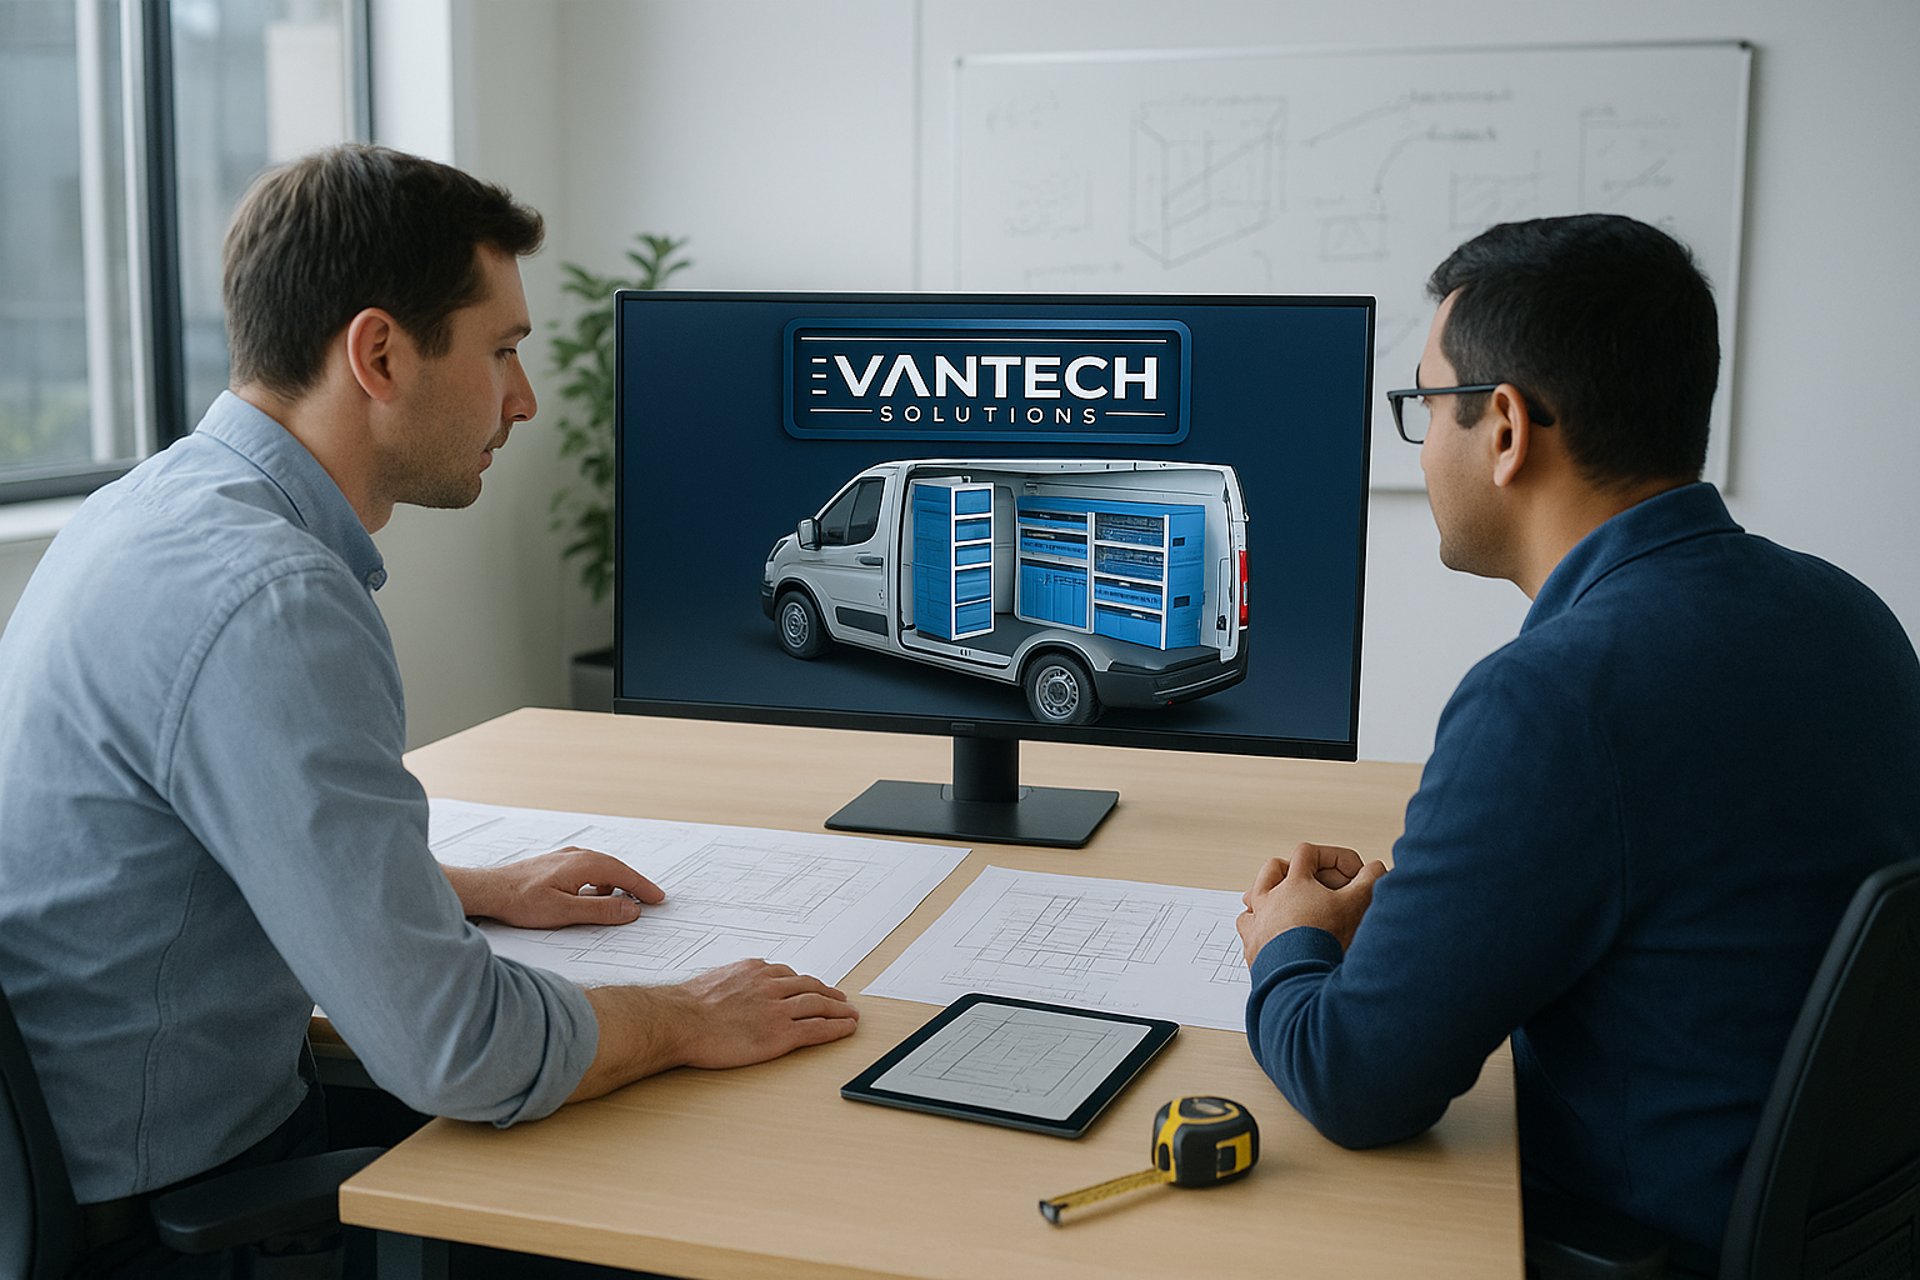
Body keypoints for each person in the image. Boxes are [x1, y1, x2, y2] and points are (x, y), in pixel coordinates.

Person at [0, 145, 857, 1265]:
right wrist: (686, 1013)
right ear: (380, 352)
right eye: (501, 349)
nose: (525, 397)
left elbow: (195, 841)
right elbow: (460, 1048)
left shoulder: (149, 509)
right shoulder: (272, 597)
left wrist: (470, 889)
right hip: (169, 1213)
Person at [1236, 213, 1920, 1265]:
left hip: (1637, 1233)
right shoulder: (1851, 614)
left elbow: (1355, 1078)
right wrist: (1426, 917)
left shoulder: (1551, 699)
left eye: (1427, 405)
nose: (1421, 449)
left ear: (1504, 426)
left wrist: (1288, 939)